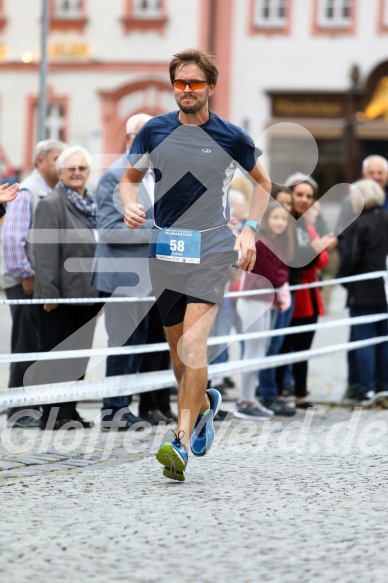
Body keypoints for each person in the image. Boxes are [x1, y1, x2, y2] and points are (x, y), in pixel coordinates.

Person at [120, 48, 270, 481]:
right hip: (167, 251)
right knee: (178, 354)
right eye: (180, 83)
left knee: (193, 346)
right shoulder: (153, 131)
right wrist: (131, 206)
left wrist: (250, 229)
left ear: (211, 87)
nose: (187, 90)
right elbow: (130, 182)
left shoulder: (231, 136)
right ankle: (203, 405)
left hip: (212, 250)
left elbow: (263, 182)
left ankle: (180, 443)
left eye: (195, 83)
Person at [91, 112, 175, 430]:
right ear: (129, 140)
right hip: (122, 280)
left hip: (151, 279)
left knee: (142, 344)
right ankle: (113, 410)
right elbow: (110, 232)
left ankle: (128, 406)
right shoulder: (114, 176)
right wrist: (158, 233)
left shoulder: (157, 176)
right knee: (124, 345)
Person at [27, 146, 101, 430]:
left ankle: (71, 411)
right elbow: (44, 254)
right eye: (70, 168)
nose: (76, 173)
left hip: (88, 294)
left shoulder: (91, 204)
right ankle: (53, 414)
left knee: (79, 357)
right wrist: (48, 294)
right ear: (60, 172)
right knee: (57, 355)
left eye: (82, 168)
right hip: (60, 295)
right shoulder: (51, 203)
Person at [1, 139, 66, 428]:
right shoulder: (28, 190)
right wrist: (25, 274)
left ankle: (31, 404)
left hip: (39, 280)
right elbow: (13, 238)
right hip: (24, 279)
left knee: (38, 343)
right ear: (41, 161)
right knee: (26, 343)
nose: (62, 164)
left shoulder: (53, 191)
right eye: (57, 159)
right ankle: (18, 410)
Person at [276, 177, 333, 409]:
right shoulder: (284, 222)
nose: (304, 200)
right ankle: (277, 394)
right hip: (289, 291)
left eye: (309, 196)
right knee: (284, 346)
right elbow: (297, 261)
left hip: (307, 293)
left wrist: (315, 251)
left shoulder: (307, 226)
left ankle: (301, 394)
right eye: (300, 195)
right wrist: (316, 248)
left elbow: (320, 261)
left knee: (302, 347)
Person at [235, 200, 293, 420]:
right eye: (275, 218)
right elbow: (274, 275)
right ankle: (245, 401)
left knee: (259, 351)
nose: (279, 222)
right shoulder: (261, 242)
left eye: (283, 219)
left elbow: (282, 271)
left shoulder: (277, 242)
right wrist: (281, 290)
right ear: (267, 220)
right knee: (252, 351)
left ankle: (250, 398)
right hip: (253, 301)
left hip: (264, 301)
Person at [338, 179, 388, 402]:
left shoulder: (360, 223)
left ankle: (367, 387)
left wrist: (344, 279)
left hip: (363, 290)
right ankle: (383, 385)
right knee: (385, 339)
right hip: (385, 289)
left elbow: (350, 257)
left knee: (365, 339)